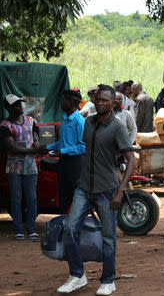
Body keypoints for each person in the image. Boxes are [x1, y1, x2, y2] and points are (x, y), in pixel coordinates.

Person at [57, 85, 136, 295]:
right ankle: (77, 275)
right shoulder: (88, 122)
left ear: (113, 103)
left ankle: (108, 280)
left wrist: (120, 192)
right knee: (70, 229)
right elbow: (88, 152)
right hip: (84, 188)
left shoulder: (118, 127)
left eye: (105, 100)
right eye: (98, 99)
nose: (100, 103)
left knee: (108, 237)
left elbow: (131, 159)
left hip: (107, 190)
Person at [0, 94, 43, 240]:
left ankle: (31, 229)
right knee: (16, 199)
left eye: (20, 104)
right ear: (9, 108)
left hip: (30, 166)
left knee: (32, 198)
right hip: (14, 167)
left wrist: (37, 143)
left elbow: (36, 136)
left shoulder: (31, 121)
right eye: (16, 105)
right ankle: (18, 229)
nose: (20, 107)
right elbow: (10, 146)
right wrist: (32, 150)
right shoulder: (5, 125)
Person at [44, 90, 86, 214]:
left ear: (72, 102)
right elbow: (62, 143)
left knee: (77, 196)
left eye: (63, 100)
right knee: (64, 196)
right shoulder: (65, 119)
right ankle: (64, 226)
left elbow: (82, 146)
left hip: (75, 163)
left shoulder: (79, 121)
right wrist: (46, 148)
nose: (61, 103)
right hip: (63, 162)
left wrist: (62, 151)